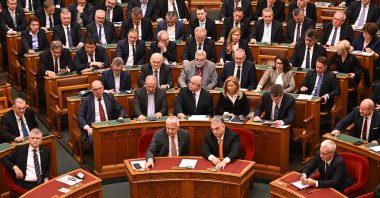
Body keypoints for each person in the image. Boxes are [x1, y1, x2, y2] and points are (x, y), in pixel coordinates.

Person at [328, 40, 365, 112]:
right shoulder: (336, 55)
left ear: (344, 50)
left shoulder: (352, 58)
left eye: (338, 49)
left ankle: (346, 107)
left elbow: (361, 69)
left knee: (340, 86)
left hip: (349, 78)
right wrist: (331, 71)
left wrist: (355, 74)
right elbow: (328, 65)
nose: (336, 50)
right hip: (338, 77)